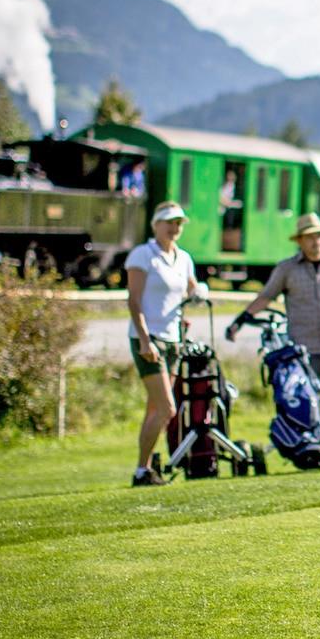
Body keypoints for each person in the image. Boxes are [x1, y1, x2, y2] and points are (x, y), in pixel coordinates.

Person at [126, 201, 205, 486]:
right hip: (149, 339)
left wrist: (200, 292)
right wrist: (145, 339)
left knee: (155, 409)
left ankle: (146, 468)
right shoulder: (143, 254)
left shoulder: (183, 258)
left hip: (173, 339)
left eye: (178, 224)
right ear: (156, 224)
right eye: (169, 222)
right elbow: (134, 301)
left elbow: (191, 288)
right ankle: (141, 470)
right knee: (167, 409)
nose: (174, 228)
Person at [229, 211, 320, 379]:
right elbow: (266, 297)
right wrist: (240, 321)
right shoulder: (287, 268)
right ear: (299, 241)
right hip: (305, 349)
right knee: (303, 392)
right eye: (310, 237)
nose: (317, 242)